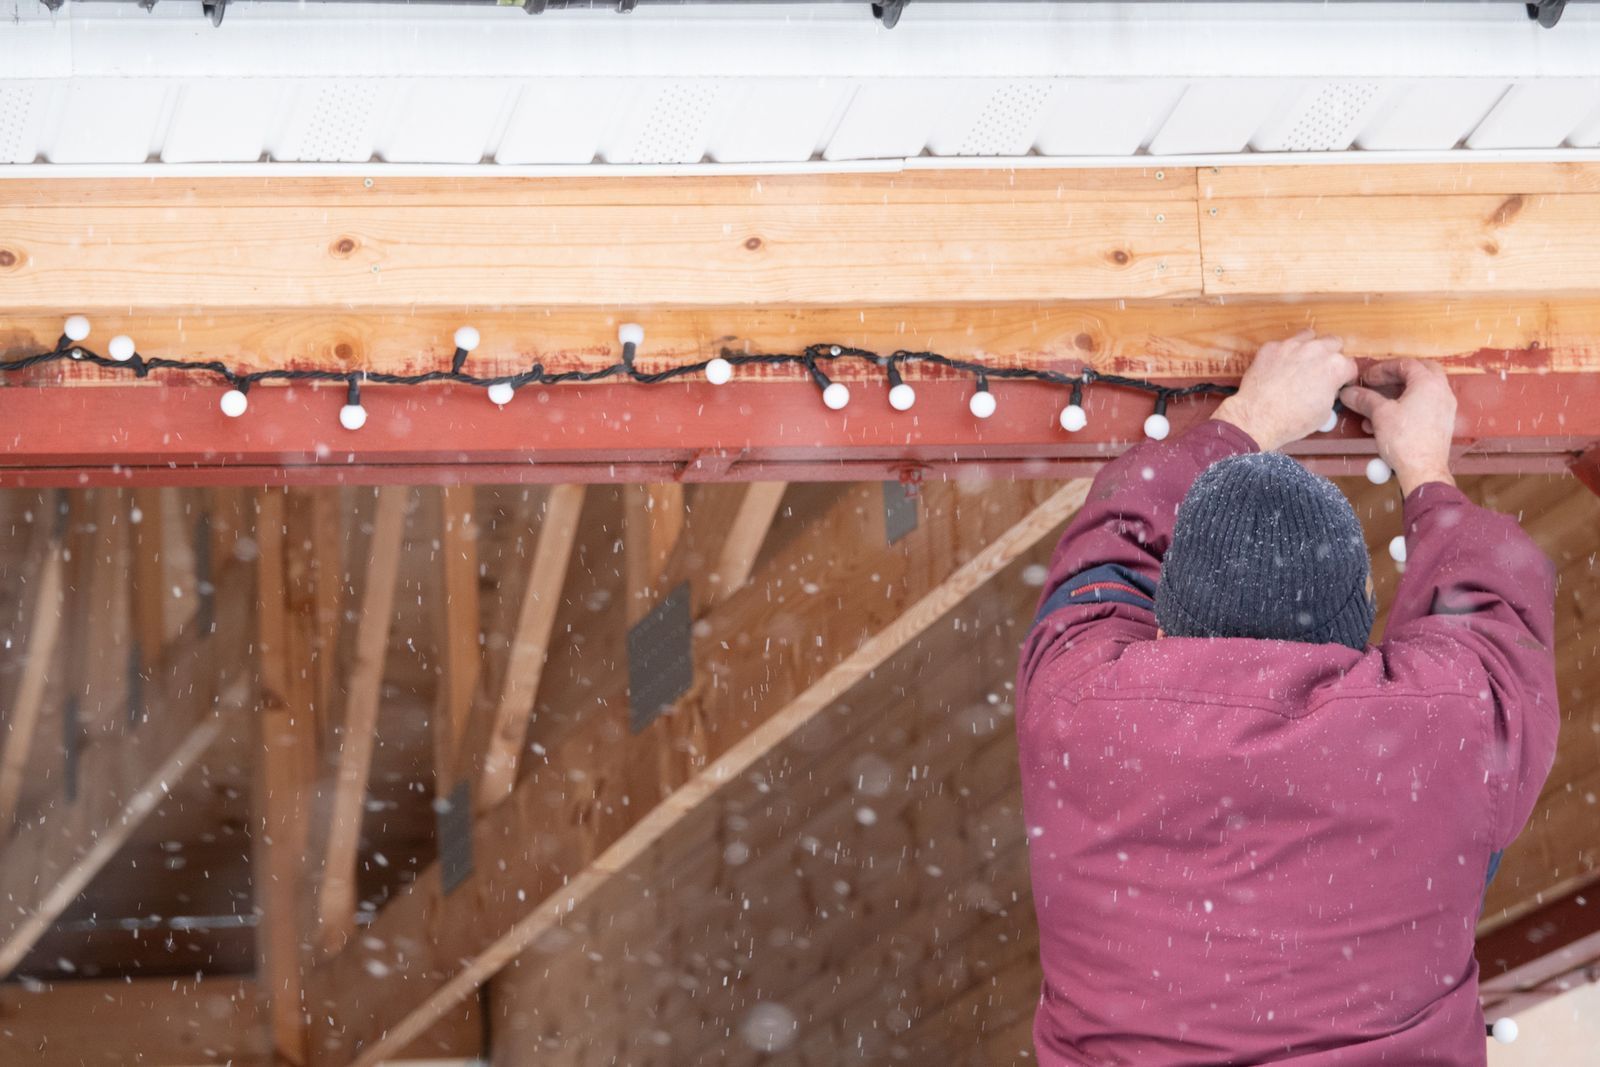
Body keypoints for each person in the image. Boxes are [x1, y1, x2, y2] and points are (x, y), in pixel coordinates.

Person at [1015, 332, 1559, 1065]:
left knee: (1463, 802)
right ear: (1355, 633)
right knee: (1462, 811)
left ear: (1164, 619)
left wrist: (1254, 419)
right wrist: (1422, 469)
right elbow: (1495, 617)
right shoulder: (1445, 722)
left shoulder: (1078, 702)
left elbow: (1108, 547)